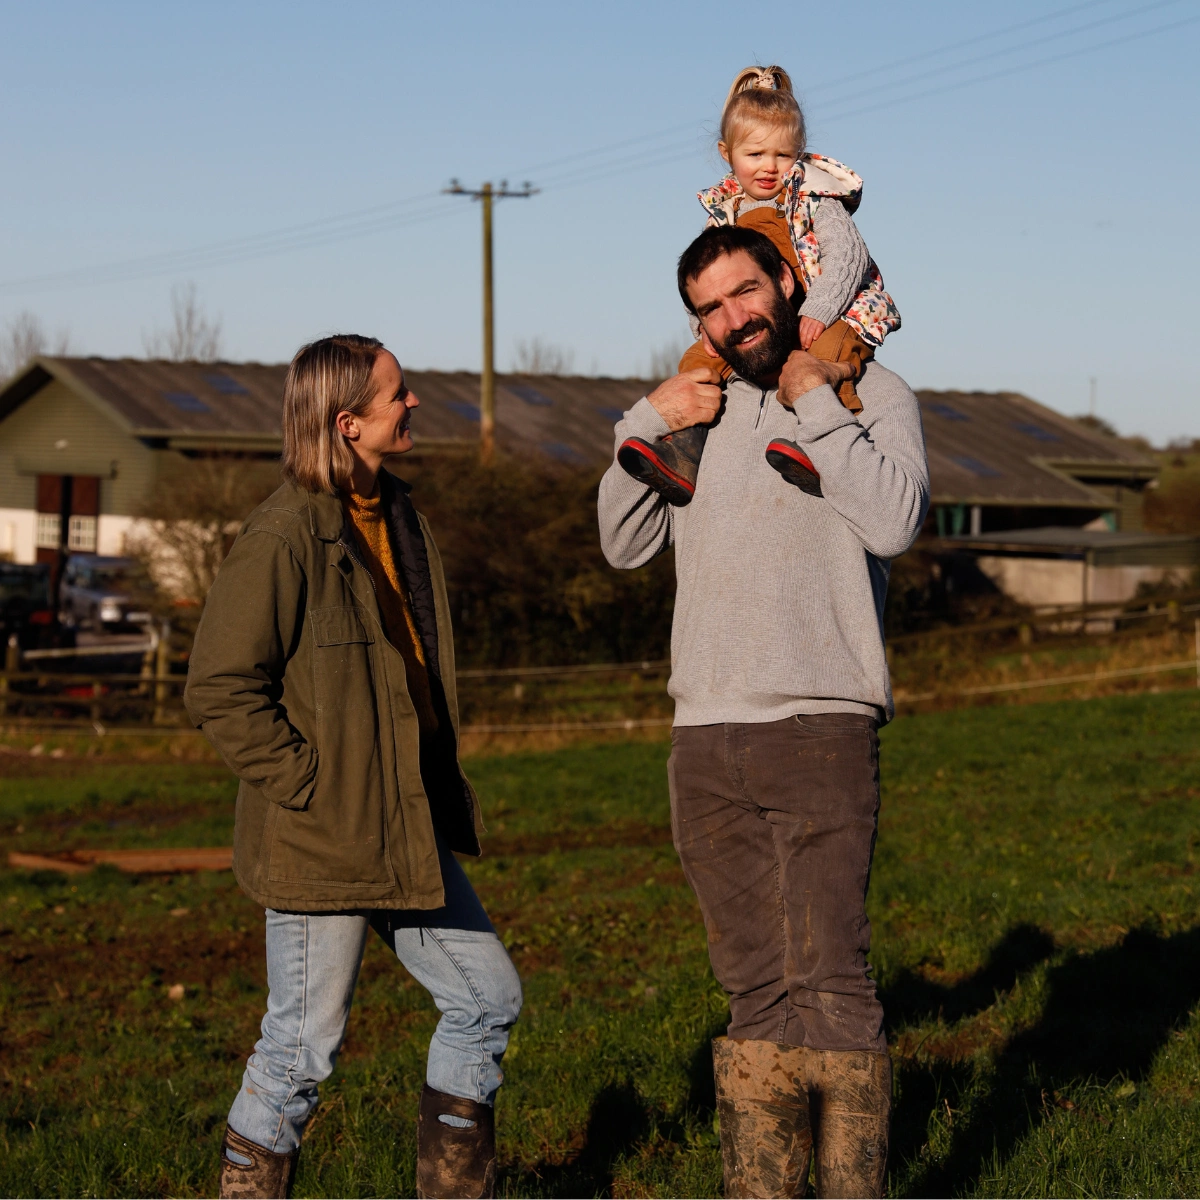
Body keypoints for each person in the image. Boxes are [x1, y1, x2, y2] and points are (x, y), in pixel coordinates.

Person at [598, 226, 929, 1198]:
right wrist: (641, 424)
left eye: (746, 292)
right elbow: (622, 544)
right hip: (702, 738)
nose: (733, 317)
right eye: (710, 306)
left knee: (832, 982)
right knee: (751, 989)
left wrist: (816, 404)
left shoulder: (870, 393)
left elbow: (896, 522)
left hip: (821, 725)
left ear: (789, 281)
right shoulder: (694, 412)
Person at [185, 335, 522, 1200]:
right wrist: (310, 788)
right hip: (324, 840)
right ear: (348, 422)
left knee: (486, 999)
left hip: (403, 827)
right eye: (398, 395)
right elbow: (221, 688)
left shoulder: (397, 516)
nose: (413, 405)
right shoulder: (285, 534)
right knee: (300, 1047)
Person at [618, 64, 901, 504]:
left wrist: (819, 310)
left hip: (837, 310)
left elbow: (849, 258)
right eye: (755, 155)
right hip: (772, 321)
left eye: (782, 155)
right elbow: (703, 281)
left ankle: (821, 452)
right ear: (726, 152)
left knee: (825, 356)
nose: (770, 167)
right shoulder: (724, 213)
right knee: (697, 362)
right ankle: (684, 450)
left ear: (800, 153)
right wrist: (705, 330)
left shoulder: (814, 198)